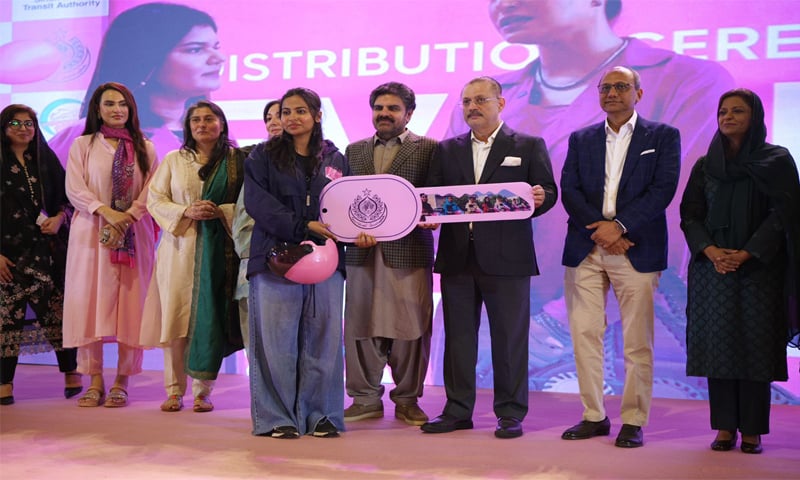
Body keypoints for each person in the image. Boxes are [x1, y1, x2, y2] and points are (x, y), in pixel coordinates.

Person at [447, 0, 735, 321]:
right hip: (481, 309)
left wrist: (558, 323)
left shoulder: (686, 80)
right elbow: (442, 198)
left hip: (614, 322)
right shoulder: (481, 98)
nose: (505, 3)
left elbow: (676, 211)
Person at [421, 76, 557, 439]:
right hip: (457, 258)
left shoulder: (528, 146)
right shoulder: (446, 150)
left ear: (500, 103)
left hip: (508, 261)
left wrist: (542, 199)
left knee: (509, 340)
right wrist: (427, 215)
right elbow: (432, 197)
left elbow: (548, 193)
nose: (472, 107)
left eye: (480, 100)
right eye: (466, 102)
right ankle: (457, 410)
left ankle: (510, 413)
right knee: (458, 340)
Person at [559, 66, 680, 448]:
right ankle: (593, 415)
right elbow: (570, 188)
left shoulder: (661, 136)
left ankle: (633, 419)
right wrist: (602, 229)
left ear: (638, 94)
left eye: (621, 87)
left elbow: (663, 189)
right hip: (586, 247)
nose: (612, 93)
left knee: (636, 340)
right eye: (606, 87)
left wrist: (621, 227)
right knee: (584, 334)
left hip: (636, 249)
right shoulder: (582, 138)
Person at [680, 88, 800, 455]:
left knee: (754, 348)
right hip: (711, 269)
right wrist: (712, 251)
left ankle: (752, 430)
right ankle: (724, 428)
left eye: (737, 111)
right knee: (719, 349)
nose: (727, 117)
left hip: (759, 271)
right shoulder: (706, 164)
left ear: (755, 117)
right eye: (723, 111)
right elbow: (690, 215)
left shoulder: (776, 160)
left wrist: (747, 253)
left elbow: (783, 215)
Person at [244, 87, 350, 439]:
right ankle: (277, 418)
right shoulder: (261, 156)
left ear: (317, 115)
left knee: (324, 340)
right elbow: (258, 204)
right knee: (276, 343)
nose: (291, 118)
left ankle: (322, 415)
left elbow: (346, 205)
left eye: (300, 111)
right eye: (286, 112)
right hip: (275, 259)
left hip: (328, 261)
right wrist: (302, 226)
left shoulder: (335, 158)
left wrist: (358, 231)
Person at [342, 82, 437, 426]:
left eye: (393, 108)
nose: (384, 114)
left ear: (408, 114)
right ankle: (364, 398)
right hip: (362, 253)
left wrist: (433, 219)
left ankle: (408, 399)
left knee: (410, 327)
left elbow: (436, 198)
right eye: (379, 108)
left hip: (409, 253)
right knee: (360, 324)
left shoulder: (428, 149)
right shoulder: (353, 151)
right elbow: (341, 202)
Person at [141, 100, 245, 413]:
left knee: (208, 318)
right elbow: (155, 200)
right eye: (195, 120)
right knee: (176, 319)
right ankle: (174, 390)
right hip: (179, 250)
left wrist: (220, 211)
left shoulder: (236, 161)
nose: (202, 125)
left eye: (209, 119)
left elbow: (247, 202)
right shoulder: (174, 159)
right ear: (188, 126)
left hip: (220, 252)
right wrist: (186, 210)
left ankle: (203, 391)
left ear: (222, 124)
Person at [62, 82, 158, 408]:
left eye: (123, 104)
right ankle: (95, 380)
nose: (117, 110)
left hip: (134, 232)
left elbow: (151, 191)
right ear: (97, 109)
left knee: (130, 307)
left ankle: (122, 380)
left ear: (131, 110)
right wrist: (106, 212)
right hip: (91, 232)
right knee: (89, 304)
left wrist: (129, 215)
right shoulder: (83, 144)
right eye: (109, 104)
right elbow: (75, 188)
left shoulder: (147, 147)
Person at [49, 2, 224, 165]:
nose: (218, 58)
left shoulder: (216, 131)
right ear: (145, 59)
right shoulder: (88, 133)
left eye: (216, 47)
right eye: (195, 49)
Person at [0, 105, 81, 404]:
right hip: (7, 255)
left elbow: (68, 200)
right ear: (3, 127)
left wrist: (60, 218)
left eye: (29, 123)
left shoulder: (45, 160)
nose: (23, 128)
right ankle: (4, 381)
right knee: (7, 317)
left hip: (47, 251)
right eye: (15, 123)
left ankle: (71, 371)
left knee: (57, 313)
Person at [232, 99, 282, 354]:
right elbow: (242, 214)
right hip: (251, 257)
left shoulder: (320, 160)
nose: (273, 121)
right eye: (268, 117)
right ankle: (260, 394)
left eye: (279, 115)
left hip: (292, 262)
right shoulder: (251, 158)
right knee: (255, 340)